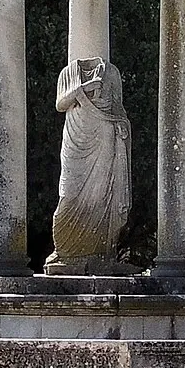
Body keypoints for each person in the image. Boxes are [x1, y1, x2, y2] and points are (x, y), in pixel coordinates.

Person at [49, 55, 131, 265]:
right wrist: (82, 90)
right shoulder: (68, 73)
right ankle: (65, 251)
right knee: (68, 195)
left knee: (102, 195)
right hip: (75, 139)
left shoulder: (111, 73)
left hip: (104, 138)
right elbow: (60, 104)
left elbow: (118, 108)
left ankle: (101, 252)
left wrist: (122, 127)